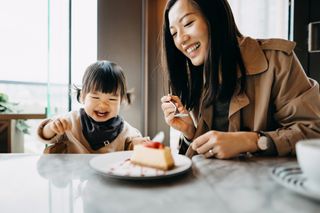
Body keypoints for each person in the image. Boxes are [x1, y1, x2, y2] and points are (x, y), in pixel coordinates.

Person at [160, 0, 320, 159]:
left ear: (215, 17)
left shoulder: (277, 61)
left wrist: (252, 141)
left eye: (188, 23)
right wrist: (190, 133)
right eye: (174, 33)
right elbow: (206, 160)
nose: (181, 39)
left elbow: (314, 131)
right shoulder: (196, 77)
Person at [38, 60, 148, 153]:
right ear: (82, 97)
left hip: (107, 177)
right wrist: (52, 128)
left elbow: (135, 147)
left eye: (112, 99)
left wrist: (139, 145)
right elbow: (45, 135)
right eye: (95, 97)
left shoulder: (126, 131)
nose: (103, 104)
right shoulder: (70, 122)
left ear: (121, 101)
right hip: (73, 175)